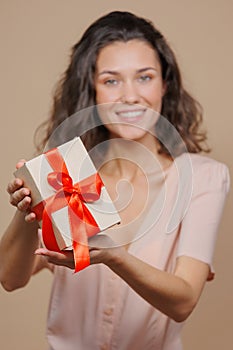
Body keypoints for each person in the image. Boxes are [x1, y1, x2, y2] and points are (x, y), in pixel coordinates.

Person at [0, 11, 230, 350]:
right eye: (111, 80)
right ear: (91, 90)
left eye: (145, 77)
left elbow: (182, 302)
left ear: (165, 84)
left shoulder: (201, 177)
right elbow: (10, 278)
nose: (130, 96)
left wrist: (113, 255)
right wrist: (27, 209)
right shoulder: (71, 174)